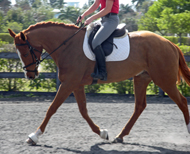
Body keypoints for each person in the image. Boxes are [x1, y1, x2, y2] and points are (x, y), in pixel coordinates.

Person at [77, 0, 119, 81]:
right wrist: (83, 15)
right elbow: (96, 4)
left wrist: (91, 18)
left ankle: (103, 72)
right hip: (103, 19)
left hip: (111, 20)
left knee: (96, 42)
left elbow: (107, 9)